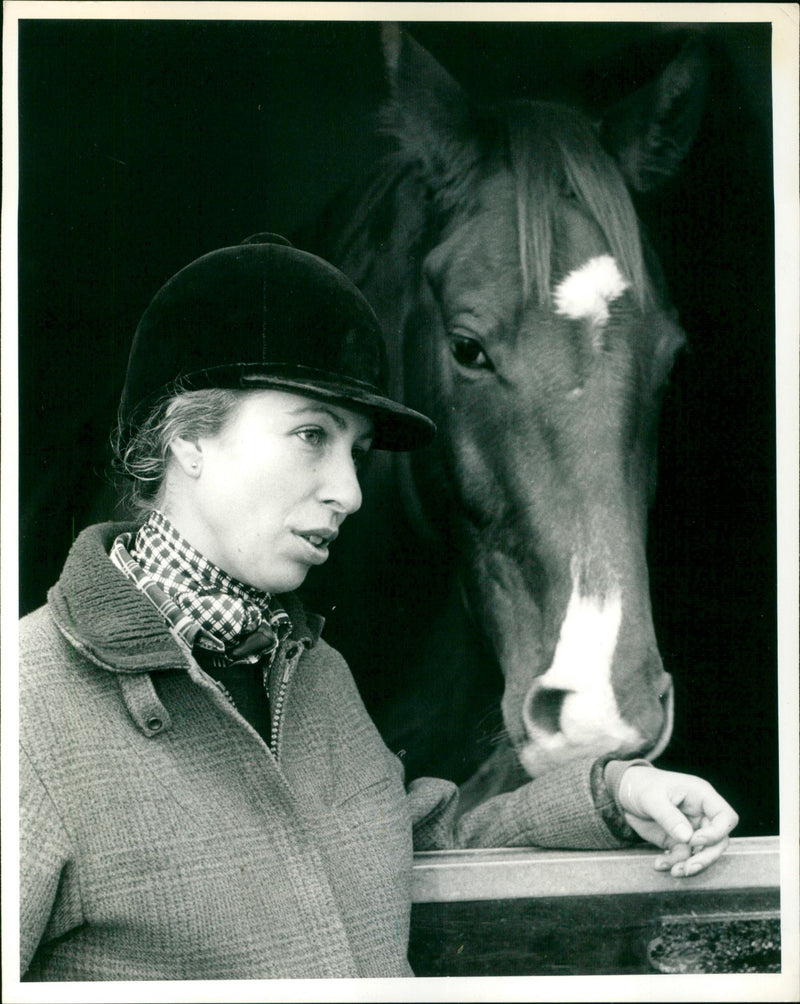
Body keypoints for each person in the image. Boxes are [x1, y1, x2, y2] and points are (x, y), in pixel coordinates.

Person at [19, 234, 739, 981]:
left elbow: (415, 844)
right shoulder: (28, 706)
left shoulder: (313, 674)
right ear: (190, 435)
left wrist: (618, 791)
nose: (351, 493)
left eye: (356, 452)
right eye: (311, 436)